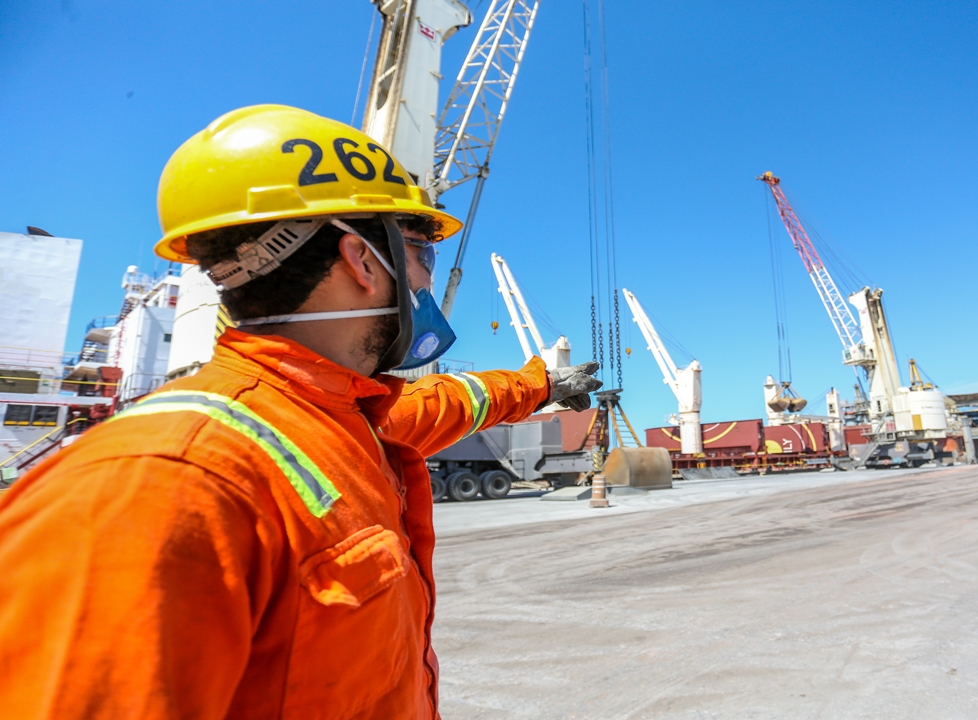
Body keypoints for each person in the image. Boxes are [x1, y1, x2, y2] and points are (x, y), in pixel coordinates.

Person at [0, 104, 601, 718]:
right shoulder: (161, 482)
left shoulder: (336, 418)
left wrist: (540, 384)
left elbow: (447, 401)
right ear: (363, 260)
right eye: (421, 251)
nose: (425, 279)